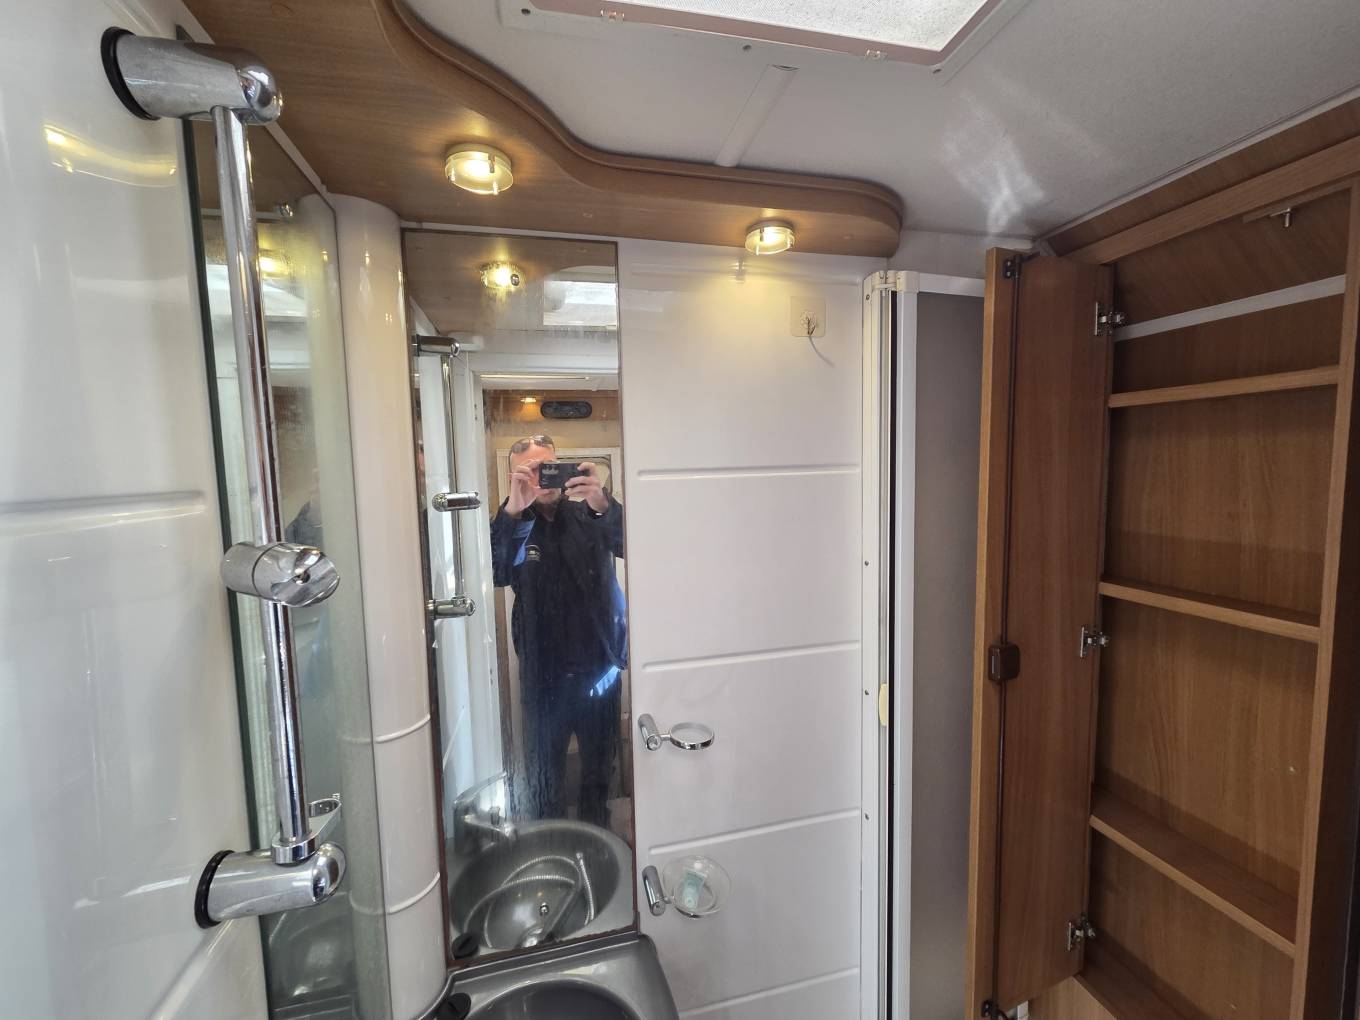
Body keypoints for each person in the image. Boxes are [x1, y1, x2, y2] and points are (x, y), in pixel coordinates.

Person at [490, 435, 627, 829]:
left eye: (548, 466)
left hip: (599, 669)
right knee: (544, 774)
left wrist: (603, 504)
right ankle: (550, 845)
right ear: (515, 476)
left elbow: (631, 545)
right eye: (531, 470)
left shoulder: (590, 513)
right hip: (543, 678)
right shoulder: (515, 523)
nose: (543, 478)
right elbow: (498, 572)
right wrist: (514, 512)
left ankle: (597, 840)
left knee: (598, 772)